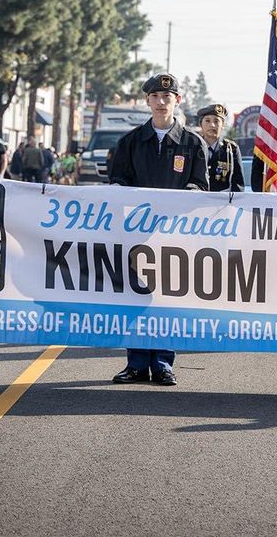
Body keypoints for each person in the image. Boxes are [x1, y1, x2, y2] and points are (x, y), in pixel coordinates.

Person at [108, 72, 207, 386]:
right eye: (155, 97)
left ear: (177, 100)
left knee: (167, 300)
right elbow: (117, 182)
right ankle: (136, 364)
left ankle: (163, 363)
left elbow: (201, 185)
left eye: (167, 97)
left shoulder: (192, 143)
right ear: (147, 101)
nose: (161, 102)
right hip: (137, 233)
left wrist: (187, 196)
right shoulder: (130, 141)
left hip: (175, 235)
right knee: (136, 298)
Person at [198, 103, 245, 192]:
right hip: (196, 202)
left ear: (222, 124)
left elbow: (238, 185)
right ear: (200, 124)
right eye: (207, 121)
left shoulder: (231, 150)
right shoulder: (193, 147)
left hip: (222, 203)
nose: (212, 125)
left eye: (216, 121)